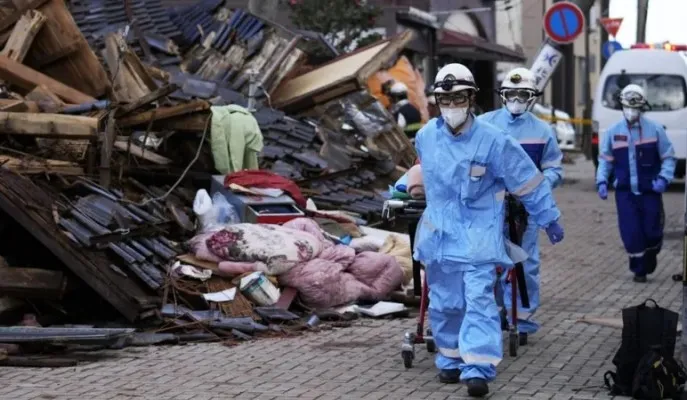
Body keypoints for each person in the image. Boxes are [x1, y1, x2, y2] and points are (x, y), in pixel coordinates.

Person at [414, 63, 564, 397]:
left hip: (480, 235)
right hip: (440, 236)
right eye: (446, 98)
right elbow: (421, 176)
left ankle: (478, 367)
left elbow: (527, 181)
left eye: (459, 97)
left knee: (479, 300)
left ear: (471, 98)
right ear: (438, 100)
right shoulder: (426, 137)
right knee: (445, 302)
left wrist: (548, 217)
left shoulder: (495, 140)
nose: (452, 105)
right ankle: (450, 359)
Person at [477, 67, 563, 340]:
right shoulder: (484, 124)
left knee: (524, 263)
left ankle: (522, 318)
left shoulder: (542, 130)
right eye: (511, 93)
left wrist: (538, 188)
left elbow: (554, 169)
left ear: (532, 97)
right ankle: (496, 312)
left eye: (522, 94)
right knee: (489, 261)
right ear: (503, 95)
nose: (516, 99)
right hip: (489, 208)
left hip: (526, 210)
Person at [596, 84, 676, 283]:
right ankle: (639, 270)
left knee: (652, 232)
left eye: (635, 107)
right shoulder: (613, 132)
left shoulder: (655, 129)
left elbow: (668, 157)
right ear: (622, 106)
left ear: (642, 107)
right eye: (628, 106)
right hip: (625, 193)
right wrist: (602, 181)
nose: (631, 111)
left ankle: (652, 251)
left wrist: (664, 178)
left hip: (650, 191)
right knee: (631, 234)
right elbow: (605, 160)